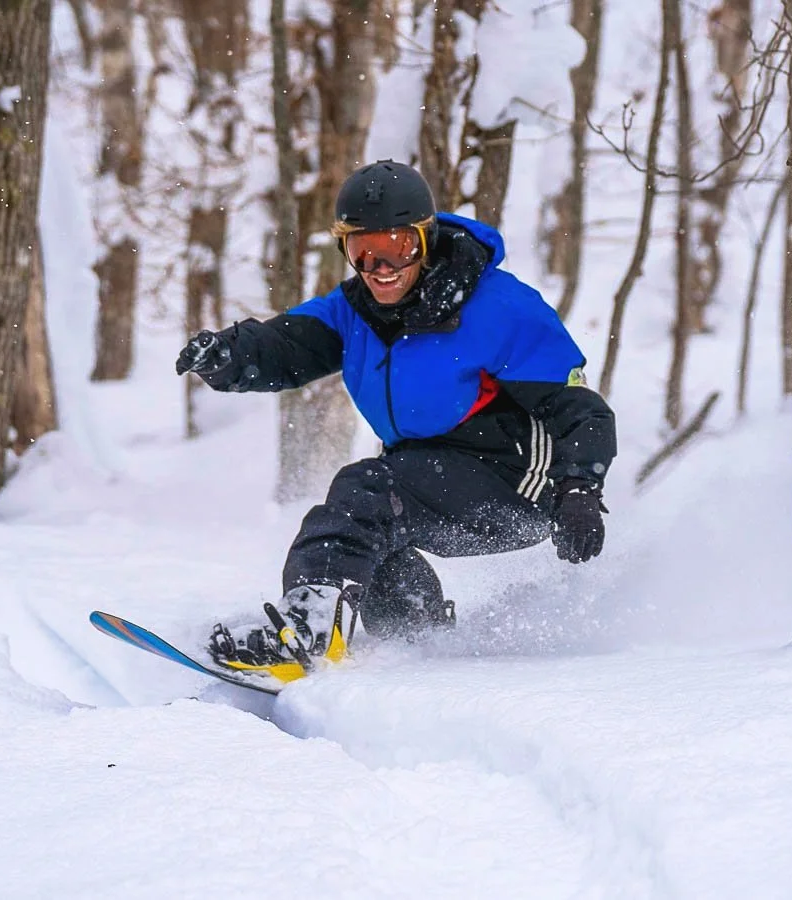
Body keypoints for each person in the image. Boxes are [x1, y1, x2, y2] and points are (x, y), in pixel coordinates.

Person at [176, 160, 616, 676]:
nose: (381, 268)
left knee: (367, 489)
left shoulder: (497, 306)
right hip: (429, 474)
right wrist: (229, 355)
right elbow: (285, 346)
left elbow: (579, 406)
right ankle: (419, 647)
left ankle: (309, 635)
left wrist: (579, 489)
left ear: (425, 243)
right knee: (371, 542)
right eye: (363, 252)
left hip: (520, 482)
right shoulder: (354, 310)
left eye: (396, 248)